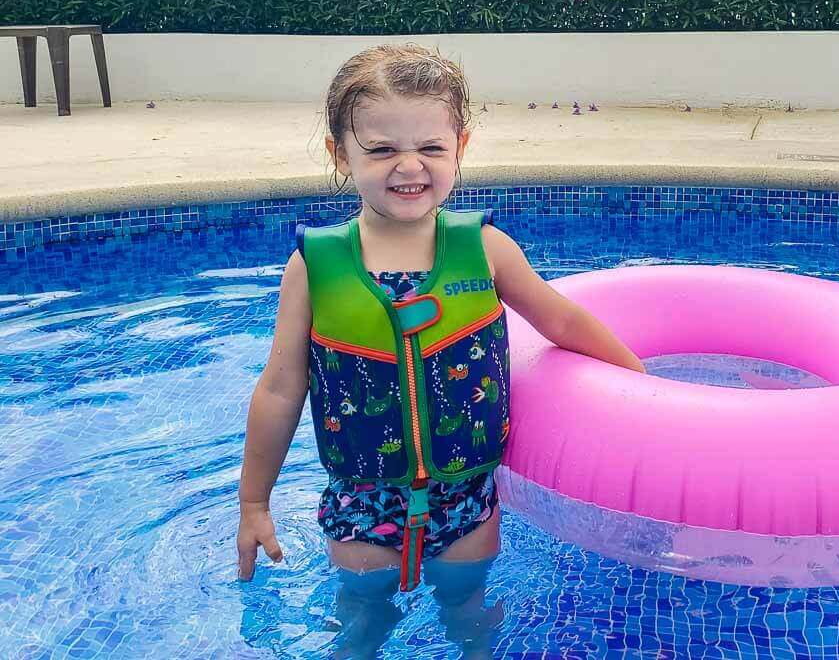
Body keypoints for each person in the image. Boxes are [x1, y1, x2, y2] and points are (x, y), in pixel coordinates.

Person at [236, 43, 644, 656]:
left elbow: (561, 320)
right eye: (382, 150)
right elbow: (280, 387)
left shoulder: (486, 250)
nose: (410, 166)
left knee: (469, 612)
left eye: (431, 147)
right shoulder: (314, 268)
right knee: (361, 620)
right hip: (360, 499)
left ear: (461, 147)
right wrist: (254, 502)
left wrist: (638, 378)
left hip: (468, 500)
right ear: (340, 155)